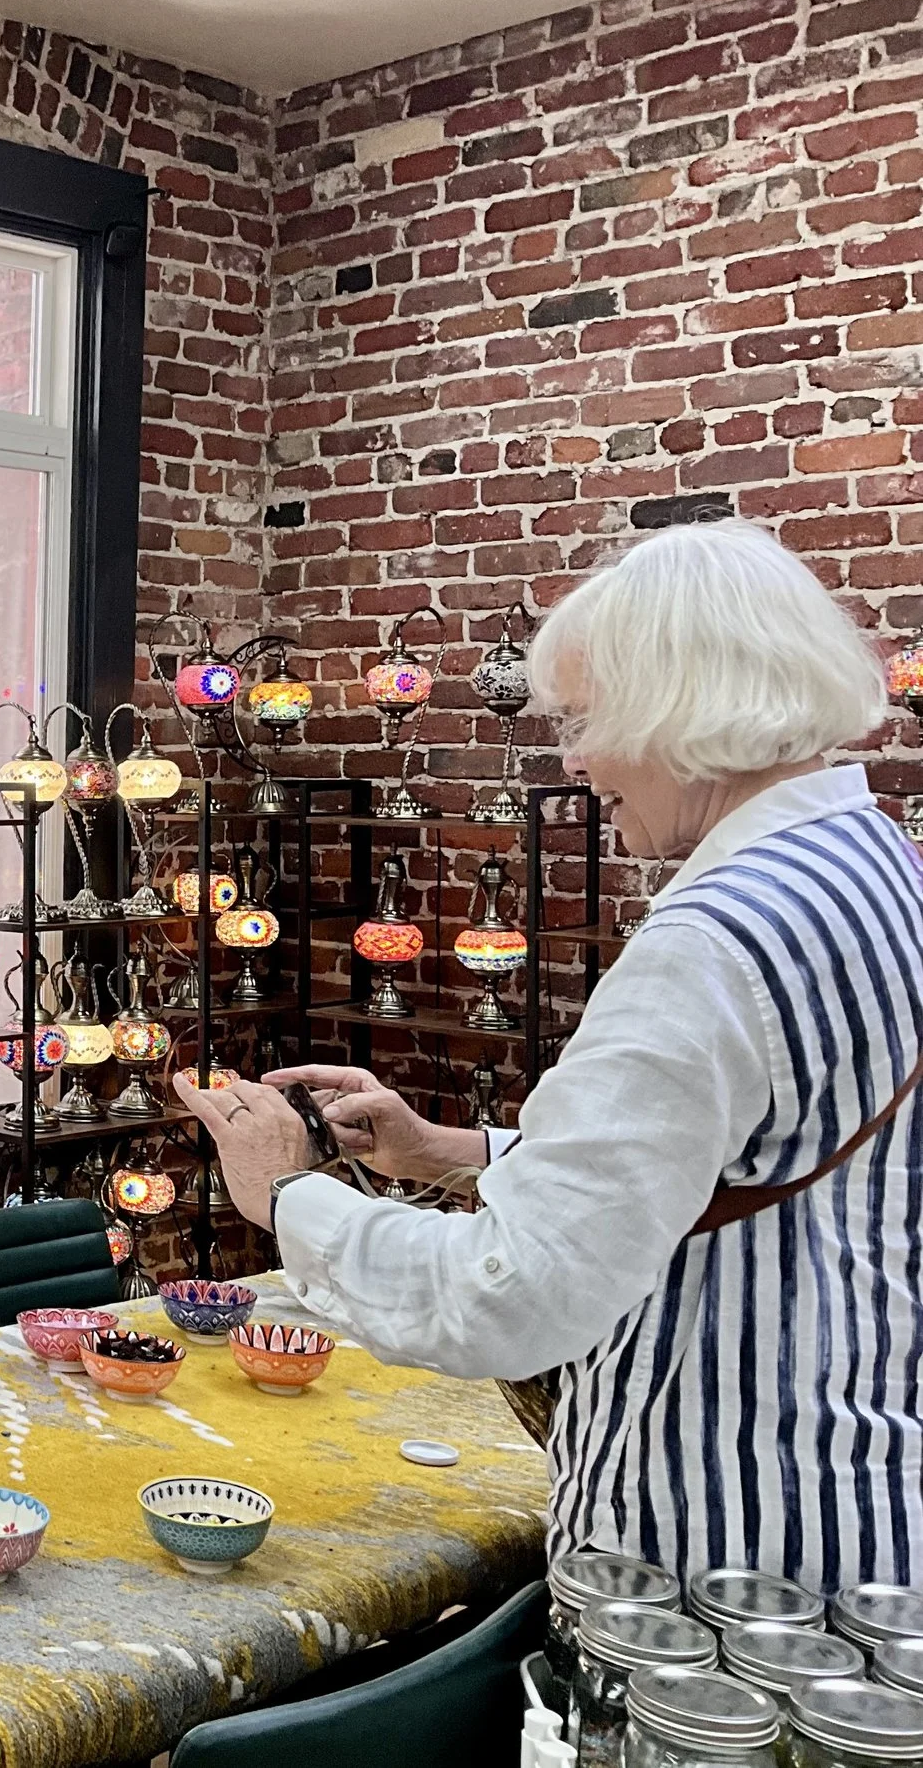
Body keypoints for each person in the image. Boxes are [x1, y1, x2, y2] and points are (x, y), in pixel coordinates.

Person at [176, 520, 922, 1594]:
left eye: (584, 720)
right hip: (861, 1477)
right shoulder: (871, 863)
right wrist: (455, 1149)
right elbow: (742, 1139)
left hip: (727, 1541)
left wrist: (286, 1197)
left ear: (680, 706)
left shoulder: (710, 942)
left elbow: (511, 1294)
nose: (571, 759)